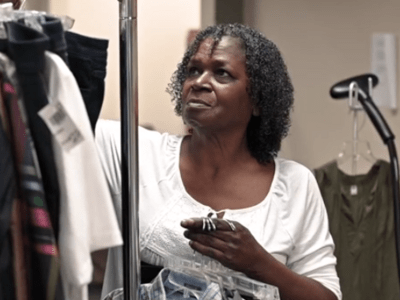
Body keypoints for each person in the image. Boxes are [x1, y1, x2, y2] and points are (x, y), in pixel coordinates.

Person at [95, 23, 341, 300]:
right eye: (194, 70)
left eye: (221, 73)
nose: (199, 82)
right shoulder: (132, 150)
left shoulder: (294, 184)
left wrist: (258, 263)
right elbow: (60, 115)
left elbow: (327, 297)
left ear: (258, 100)